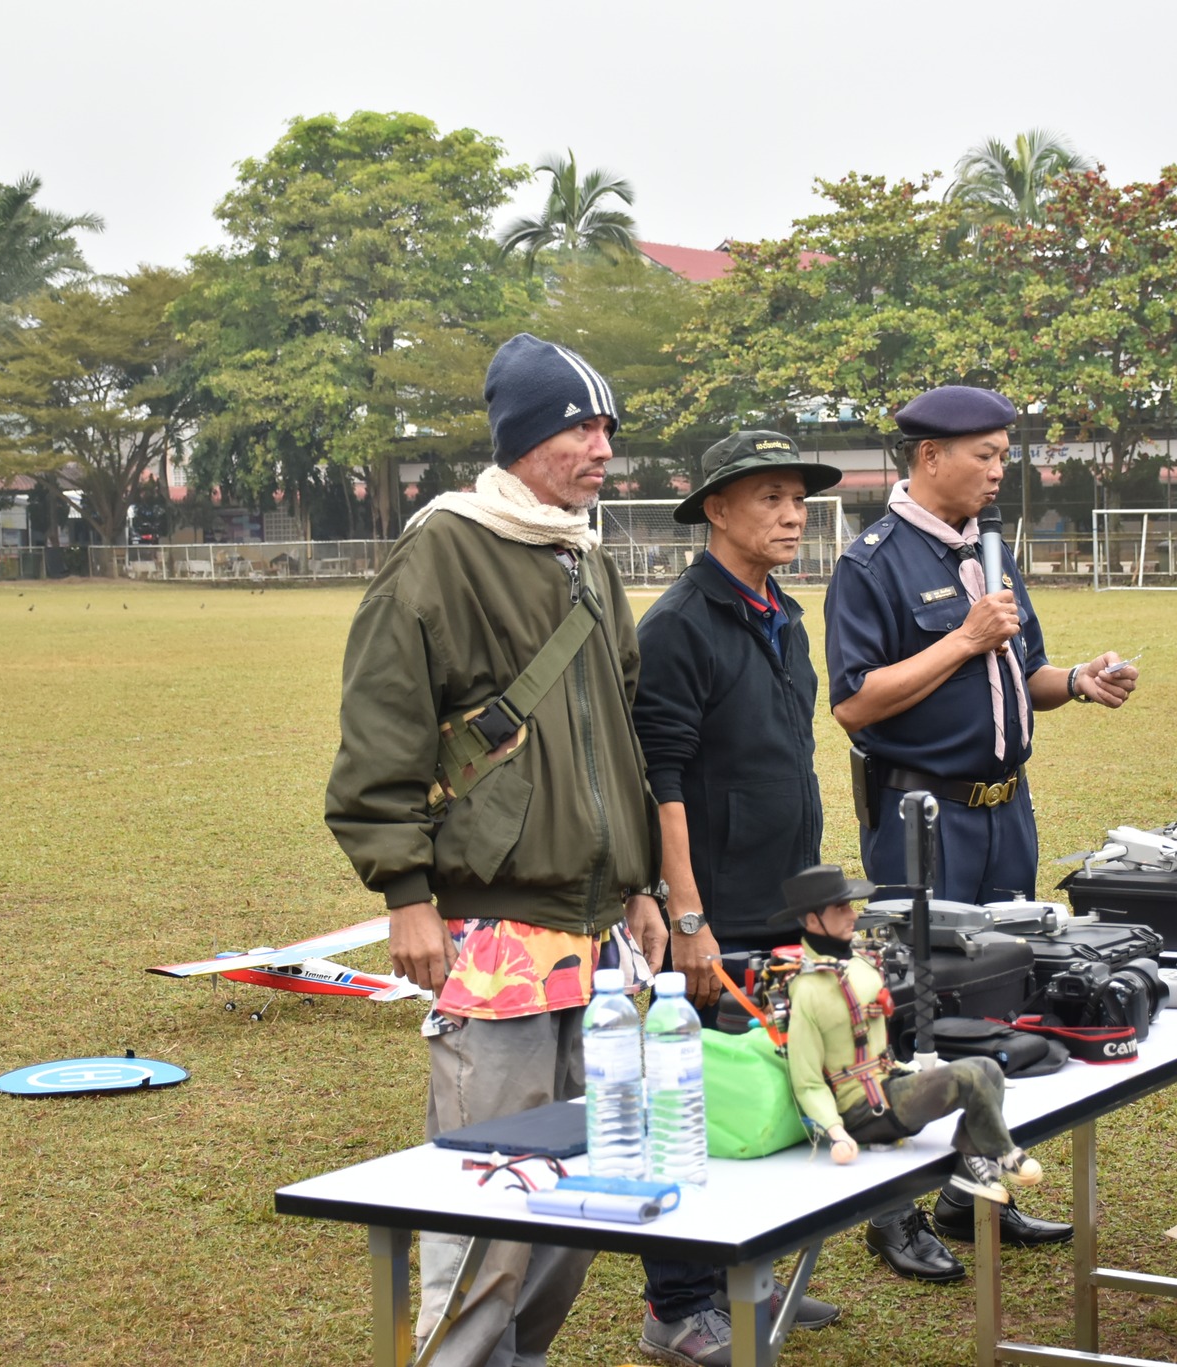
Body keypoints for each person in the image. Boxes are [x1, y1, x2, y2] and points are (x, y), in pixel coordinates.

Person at [325, 332, 667, 1367]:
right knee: (490, 1196)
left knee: (584, 1190)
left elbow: (621, 728)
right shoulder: (442, 548)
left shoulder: (585, 552)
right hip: (493, 924)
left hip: (599, 927)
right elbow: (382, 724)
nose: (602, 448)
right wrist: (404, 890)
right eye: (580, 427)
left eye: (608, 428)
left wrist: (643, 881)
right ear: (522, 436)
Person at [823, 384, 1138, 1275]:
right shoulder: (872, 564)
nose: (1001, 471)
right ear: (930, 456)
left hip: (1007, 814)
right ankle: (892, 1213)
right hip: (924, 818)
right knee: (912, 1010)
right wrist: (961, 639)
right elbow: (854, 702)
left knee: (1000, 1000)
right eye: (986, 455)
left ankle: (971, 1188)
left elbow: (1024, 670)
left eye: (1005, 454)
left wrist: (1077, 681)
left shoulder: (990, 553)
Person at [628, 430, 845, 1366]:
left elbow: (786, 759)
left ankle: (745, 1279)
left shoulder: (785, 614)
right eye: (770, 498)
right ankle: (677, 1306)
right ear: (715, 510)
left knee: (767, 1096)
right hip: (713, 914)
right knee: (690, 1109)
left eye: (799, 498)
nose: (793, 515)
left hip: (782, 900)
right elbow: (662, 778)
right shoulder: (679, 625)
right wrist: (688, 917)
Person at [774, 864, 1043, 1193]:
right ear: (813, 920)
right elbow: (807, 1081)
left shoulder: (859, 964)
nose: (852, 915)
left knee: (988, 1068)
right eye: (840, 908)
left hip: (888, 1082)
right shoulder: (807, 990)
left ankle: (971, 1160)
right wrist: (836, 1132)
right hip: (861, 1111)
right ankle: (1004, 1151)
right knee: (968, 1078)